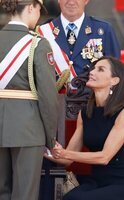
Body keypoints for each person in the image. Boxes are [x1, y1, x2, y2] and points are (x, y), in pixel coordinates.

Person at [46, 56, 124, 200]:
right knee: (69, 198)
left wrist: (64, 153)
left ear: (114, 81)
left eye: (100, 69)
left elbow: (104, 157)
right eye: (94, 68)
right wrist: (46, 150)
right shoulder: (85, 113)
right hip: (96, 182)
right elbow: (67, 160)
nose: (92, 72)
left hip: (122, 184)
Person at [37, 0, 121, 146]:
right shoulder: (43, 32)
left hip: (93, 108)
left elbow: (116, 71)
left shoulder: (103, 30)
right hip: (52, 109)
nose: (71, 1)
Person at [0, 1, 58, 200]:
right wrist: (51, 138)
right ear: (32, 7)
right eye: (40, 9)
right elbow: (48, 97)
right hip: (28, 128)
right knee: (25, 194)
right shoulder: (37, 44)